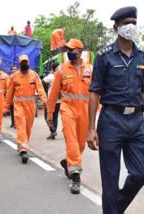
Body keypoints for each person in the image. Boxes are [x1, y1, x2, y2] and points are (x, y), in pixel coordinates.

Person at [87, 6, 144, 214]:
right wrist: (91, 128)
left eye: (133, 23)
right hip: (111, 120)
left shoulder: (142, 56)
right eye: (126, 23)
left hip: (136, 122)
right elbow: (94, 91)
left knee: (140, 174)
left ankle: (113, 209)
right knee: (110, 181)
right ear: (116, 28)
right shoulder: (104, 56)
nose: (130, 27)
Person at [46, 39, 92, 194]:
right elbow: (53, 95)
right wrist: (50, 114)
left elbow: (97, 93)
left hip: (85, 110)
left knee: (80, 144)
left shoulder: (90, 70)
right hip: (68, 108)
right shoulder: (61, 70)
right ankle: (76, 176)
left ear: (79, 51)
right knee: (71, 140)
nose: (68, 52)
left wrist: (101, 111)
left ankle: (69, 162)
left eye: (71, 50)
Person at [4, 54, 47, 164]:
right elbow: (9, 93)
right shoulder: (14, 77)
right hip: (19, 105)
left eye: (25, 62)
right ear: (19, 64)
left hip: (31, 106)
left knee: (28, 127)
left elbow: (40, 88)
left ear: (28, 63)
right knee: (21, 125)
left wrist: (45, 100)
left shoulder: (34, 75)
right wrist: (6, 107)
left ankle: (22, 143)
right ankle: (23, 149)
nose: (24, 64)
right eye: (22, 63)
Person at [43, 61, 60, 140]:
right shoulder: (60, 75)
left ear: (52, 68)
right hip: (59, 100)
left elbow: (43, 81)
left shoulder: (51, 76)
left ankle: (52, 130)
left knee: (47, 116)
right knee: (55, 116)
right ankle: (53, 132)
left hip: (51, 100)